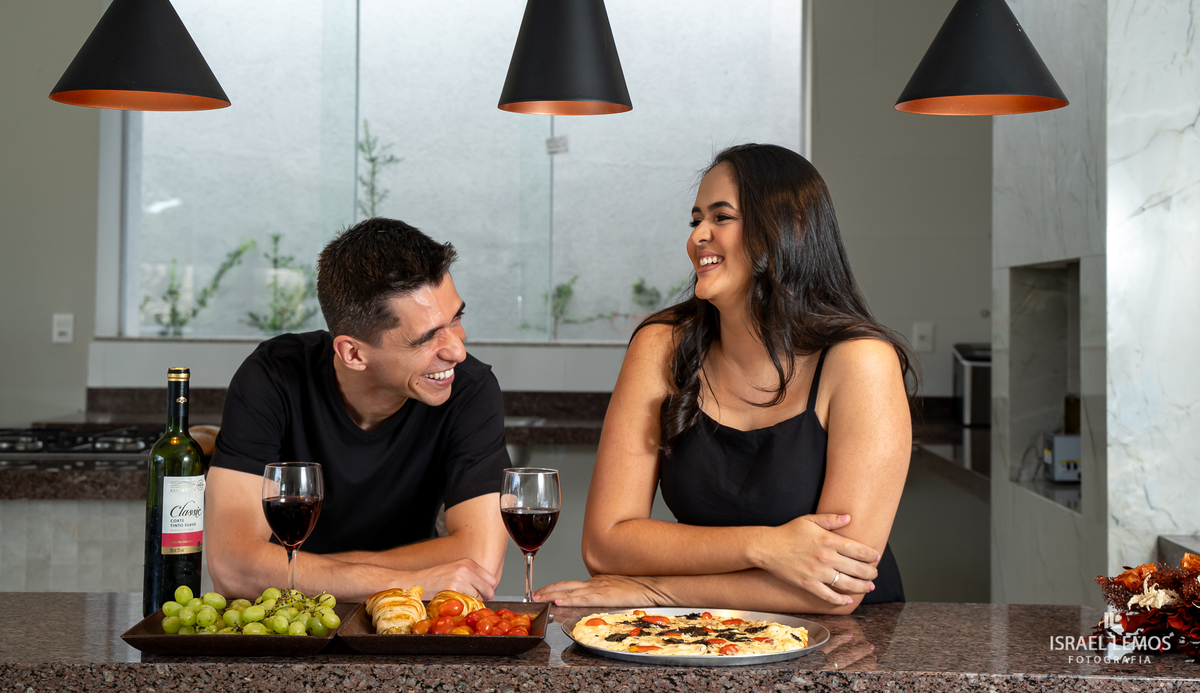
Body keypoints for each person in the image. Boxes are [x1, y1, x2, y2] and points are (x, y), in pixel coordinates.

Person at [536, 144, 914, 614]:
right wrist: (767, 546)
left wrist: (658, 591)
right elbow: (604, 543)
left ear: (790, 229)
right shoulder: (662, 345)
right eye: (695, 220)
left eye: (721, 217)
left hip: (846, 646)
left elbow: (838, 586)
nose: (699, 236)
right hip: (703, 636)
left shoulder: (861, 361)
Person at [206, 218, 510, 602]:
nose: (457, 351)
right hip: (289, 633)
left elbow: (479, 563)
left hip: (405, 628)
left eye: (456, 319)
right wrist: (406, 580)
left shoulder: (469, 389)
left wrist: (293, 573)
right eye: (427, 337)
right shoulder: (273, 377)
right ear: (353, 353)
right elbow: (232, 569)